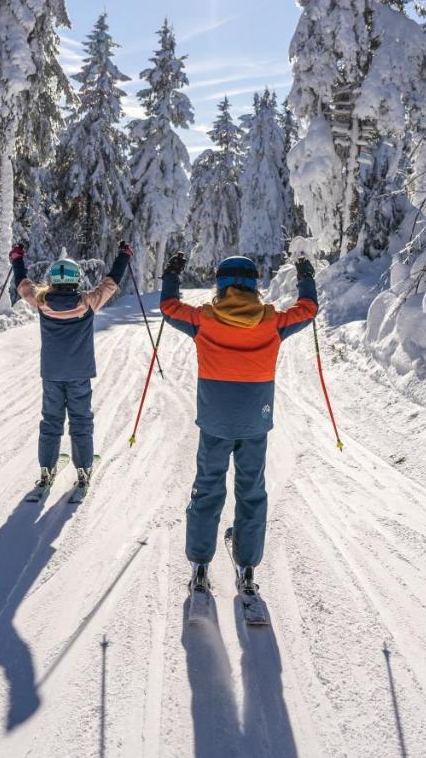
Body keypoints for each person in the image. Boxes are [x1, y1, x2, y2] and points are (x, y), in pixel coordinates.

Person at [159, 252, 318, 595]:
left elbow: (169, 307)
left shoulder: (203, 319)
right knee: (251, 491)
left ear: (221, 284)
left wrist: (171, 274)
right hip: (254, 422)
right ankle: (247, 566)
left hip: (215, 421)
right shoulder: (272, 322)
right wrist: (306, 278)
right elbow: (308, 310)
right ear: (254, 285)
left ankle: (200, 564)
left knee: (208, 488)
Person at [11, 241, 133, 492]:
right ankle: (84, 470)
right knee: (80, 420)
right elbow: (111, 283)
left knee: (51, 420)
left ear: (52, 280)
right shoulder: (87, 302)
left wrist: (17, 259)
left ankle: (46, 468)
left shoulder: (42, 302)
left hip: (52, 374)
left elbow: (22, 286)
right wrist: (123, 256)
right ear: (77, 280)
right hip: (79, 373)